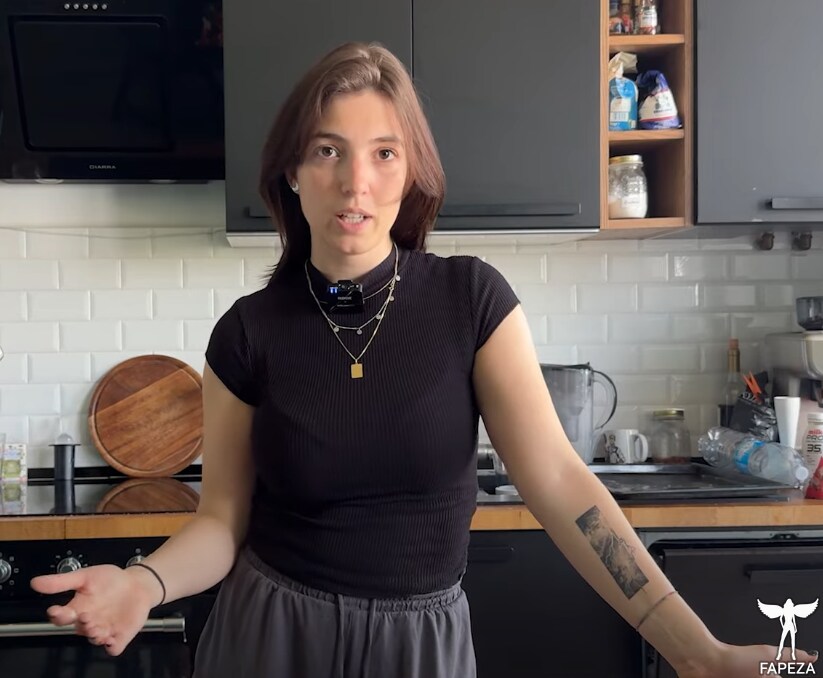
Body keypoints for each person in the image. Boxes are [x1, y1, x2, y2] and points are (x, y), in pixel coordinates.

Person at [31, 42, 816, 678]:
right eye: (328, 151)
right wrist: (144, 582)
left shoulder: (470, 301)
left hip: (420, 643)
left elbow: (560, 483)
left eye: (384, 153)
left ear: (411, 175)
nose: (356, 183)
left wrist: (695, 651)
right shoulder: (247, 333)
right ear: (292, 173)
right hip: (271, 634)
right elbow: (221, 522)